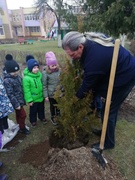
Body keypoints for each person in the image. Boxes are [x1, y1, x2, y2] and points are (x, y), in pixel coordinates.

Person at [62, 31, 135, 150]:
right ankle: (105, 130)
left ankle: (108, 143)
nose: (71, 57)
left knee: (109, 110)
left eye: (72, 54)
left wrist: (75, 99)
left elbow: (87, 86)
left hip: (127, 75)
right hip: (116, 69)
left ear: (80, 47)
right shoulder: (87, 40)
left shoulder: (94, 60)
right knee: (106, 105)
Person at [3, 58, 30, 135]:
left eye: (17, 71)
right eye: (13, 72)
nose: (15, 73)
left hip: (20, 100)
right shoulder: (7, 81)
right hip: (15, 102)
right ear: (8, 71)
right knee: (23, 115)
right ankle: (22, 128)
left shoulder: (17, 77)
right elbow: (10, 94)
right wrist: (16, 104)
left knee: (19, 114)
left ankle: (19, 125)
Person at [23, 59, 47, 127]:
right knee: (33, 111)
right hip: (33, 99)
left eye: (37, 67)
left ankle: (42, 117)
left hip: (40, 97)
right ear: (30, 69)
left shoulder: (39, 75)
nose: (36, 69)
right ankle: (33, 121)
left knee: (41, 108)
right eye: (34, 68)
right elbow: (26, 90)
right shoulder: (26, 78)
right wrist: (29, 100)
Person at [42, 51, 61, 125]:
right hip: (51, 94)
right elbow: (44, 85)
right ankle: (53, 116)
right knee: (53, 106)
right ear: (48, 66)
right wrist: (46, 95)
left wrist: (62, 89)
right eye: (52, 66)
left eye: (55, 65)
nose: (54, 67)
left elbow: (61, 81)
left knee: (58, 105)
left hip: (59, 92)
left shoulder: (59, 71)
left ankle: (58, 114)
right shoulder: (45, 73)